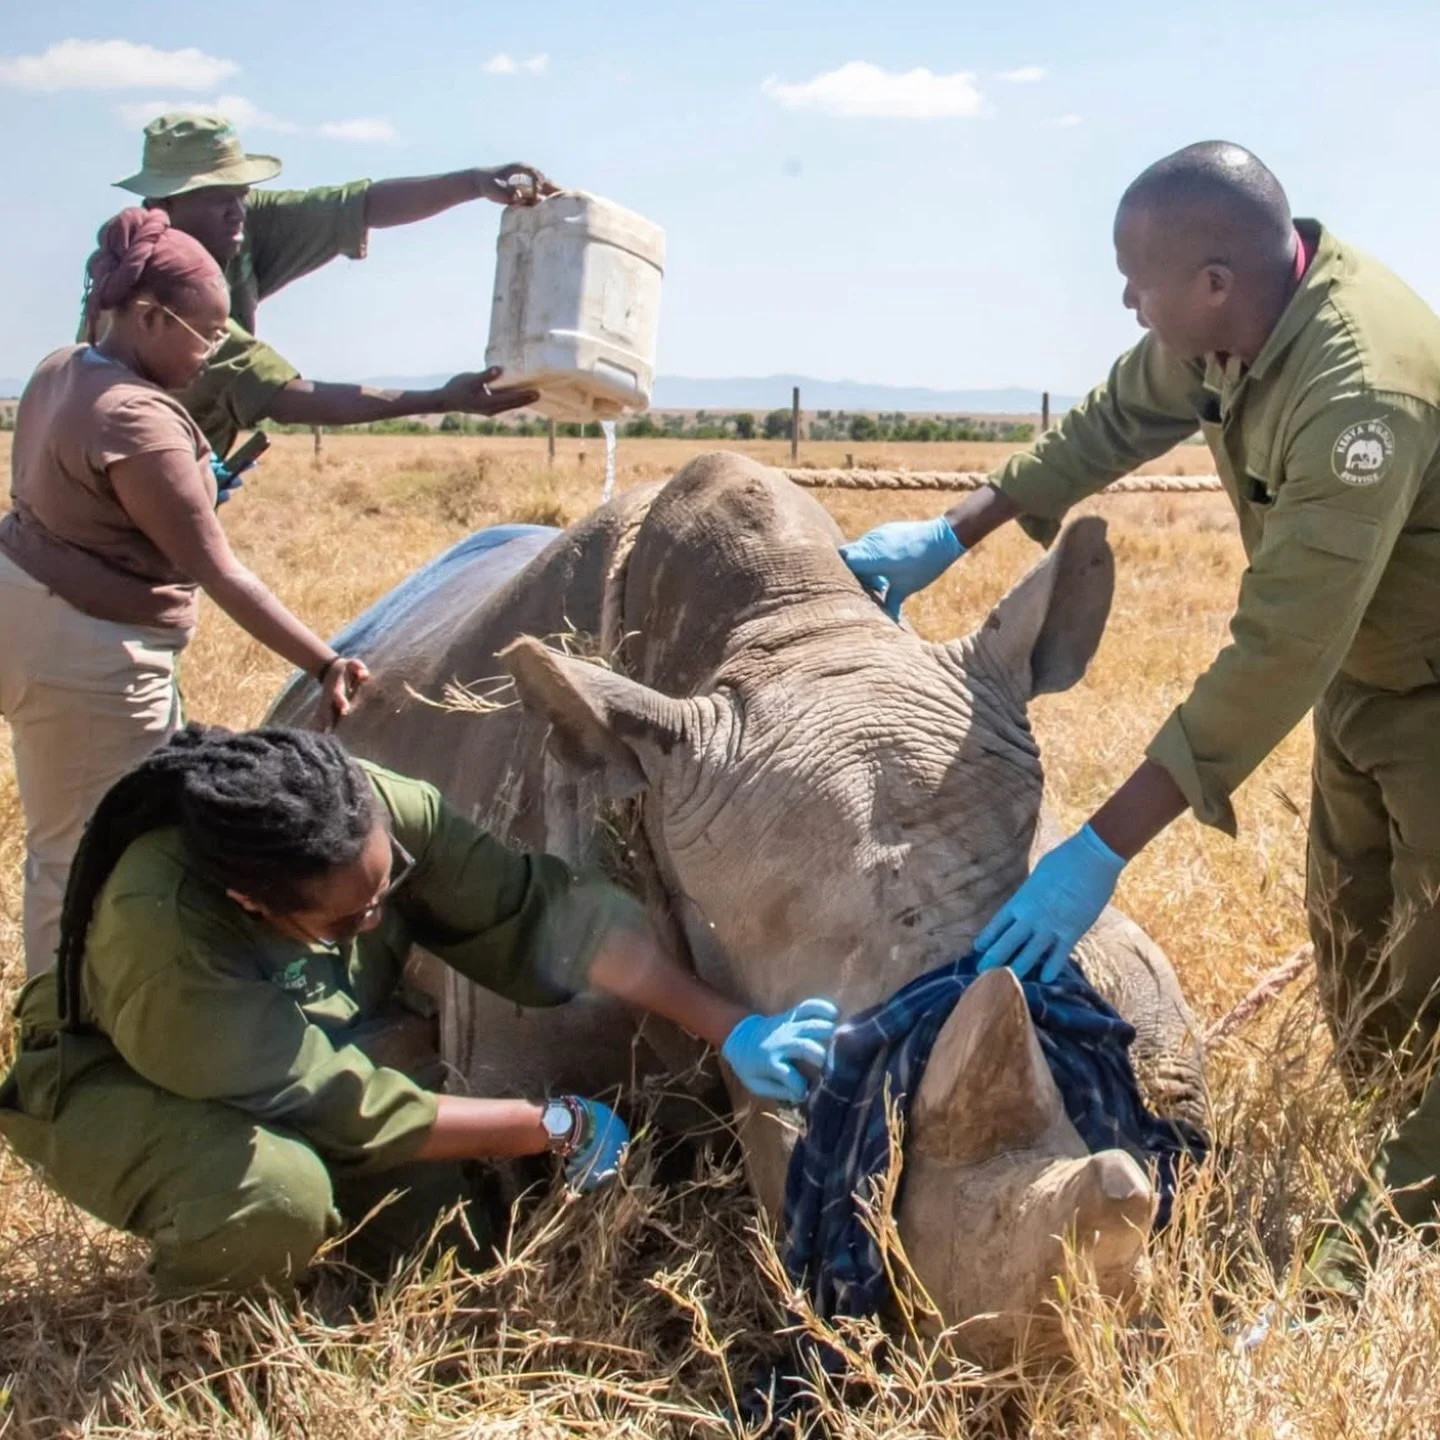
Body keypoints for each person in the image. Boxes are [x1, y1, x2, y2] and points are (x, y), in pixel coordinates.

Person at [839, 141, 1440, 1291]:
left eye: (1135, 277)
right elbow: (1106, 423)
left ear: (1213, 280)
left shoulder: (1354, 389)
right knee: (1358, 934)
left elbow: (1278, 652)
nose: (1124, 299)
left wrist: (1099, 848)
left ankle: (1364, 1257)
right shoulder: (1235, 327)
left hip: (1420, 676)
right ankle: (1386, 1128)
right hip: (1373, 679)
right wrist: (946, 537)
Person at [0, 725, 839, 1296]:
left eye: (386, 886)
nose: (376, 918)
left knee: (450, 1251)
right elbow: (345, 1106)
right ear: (248, 903)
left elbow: (537, 914)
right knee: (271, 1204)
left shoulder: (364, 814)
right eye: (343, 920)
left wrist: (729, 1025)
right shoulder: (163, 942)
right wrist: (559, 1125)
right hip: (128, 1081)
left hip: (299, 1053)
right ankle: (204, 1323)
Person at [0, 208, 369, 979]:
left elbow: (83, 505)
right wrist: (324, 661)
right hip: (86, 653)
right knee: (87, 854)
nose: (213, 355)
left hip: (29, 608)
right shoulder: (138, 418)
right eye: (204, 334)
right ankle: (64, 1040)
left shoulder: (62, 367)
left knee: (69, 839)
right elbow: (222, 573)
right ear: (144, 316)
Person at [102, 112, 553, 461]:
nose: (238, 209)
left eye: (240, 192)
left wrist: (474, 182)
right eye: (218, 197)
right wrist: (439, 399)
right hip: (122, 507)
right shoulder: (154, 290)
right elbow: (287, 398)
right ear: (163, 203)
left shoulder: (232, 222)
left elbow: (359, 205)